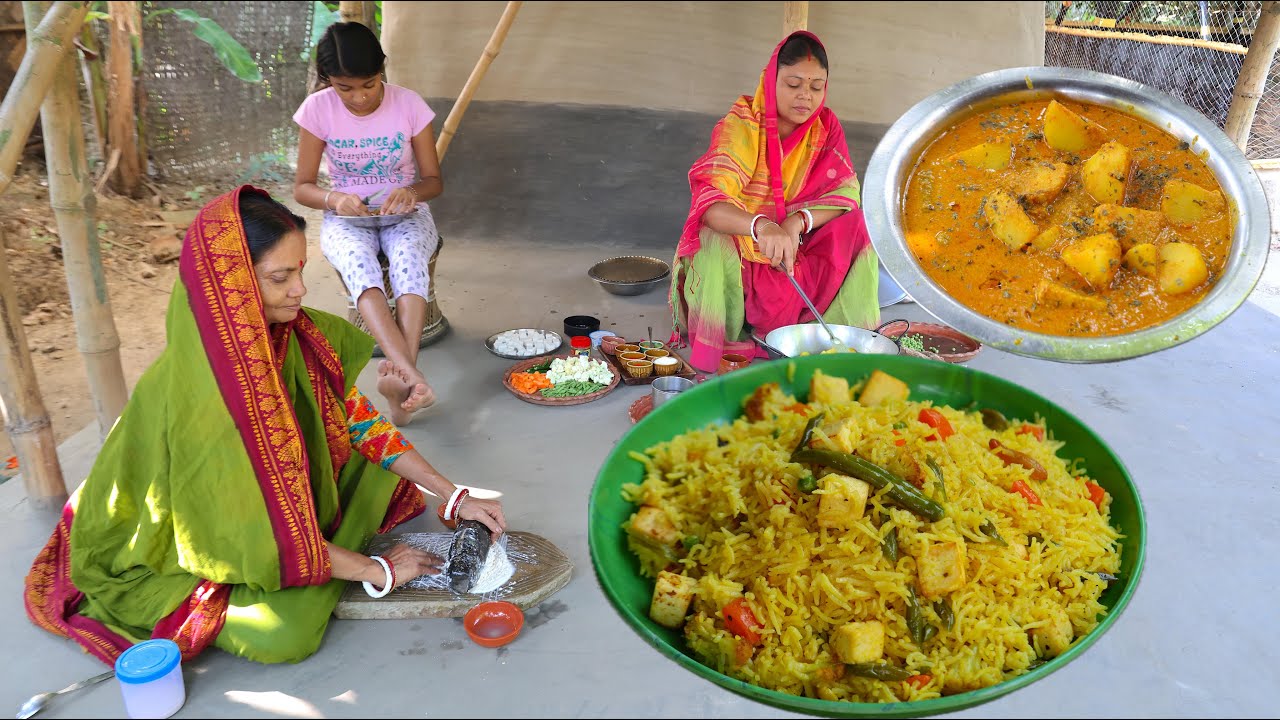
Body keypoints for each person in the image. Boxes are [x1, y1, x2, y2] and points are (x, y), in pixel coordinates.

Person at [23, 187, 507, 666]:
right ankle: (311, 554)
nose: (300, 289)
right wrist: (376, 569)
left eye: (299, 270)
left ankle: (313, 545)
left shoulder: (290, 334)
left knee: (381, 467)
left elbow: (355, 421)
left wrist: (452, 492)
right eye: (280, 278)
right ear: (230, 289)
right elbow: (239, 532)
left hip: (259, 511)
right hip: (208, 535)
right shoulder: (207, 398)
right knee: (286, 635)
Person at [669, 31, 881, 372]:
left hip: (796, 253)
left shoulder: (826, 127)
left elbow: (845, 195)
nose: (805, 97)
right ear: (771, 80)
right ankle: (719, 345)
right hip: (746, 255)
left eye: (816, 87)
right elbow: (709, 204)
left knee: (858, 224)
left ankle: (844, 337)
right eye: (793, 84)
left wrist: (795, 223)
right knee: (710, 238)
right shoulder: (742, 125)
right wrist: (761, 225)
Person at [292, 21, 443, 425]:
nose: (359, 97)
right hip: (347, 217)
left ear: (383, 72)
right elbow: (303, 188)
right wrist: (335, 198)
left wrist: (411, 191)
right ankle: (412, 377)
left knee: (409, 257)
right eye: (345, 88)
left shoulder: (409, 104)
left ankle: (403, 380)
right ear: (328, 81)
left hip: (405, 214)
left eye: (369, 84)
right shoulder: (316, 110)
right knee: (361, 266)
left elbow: (433, 182)